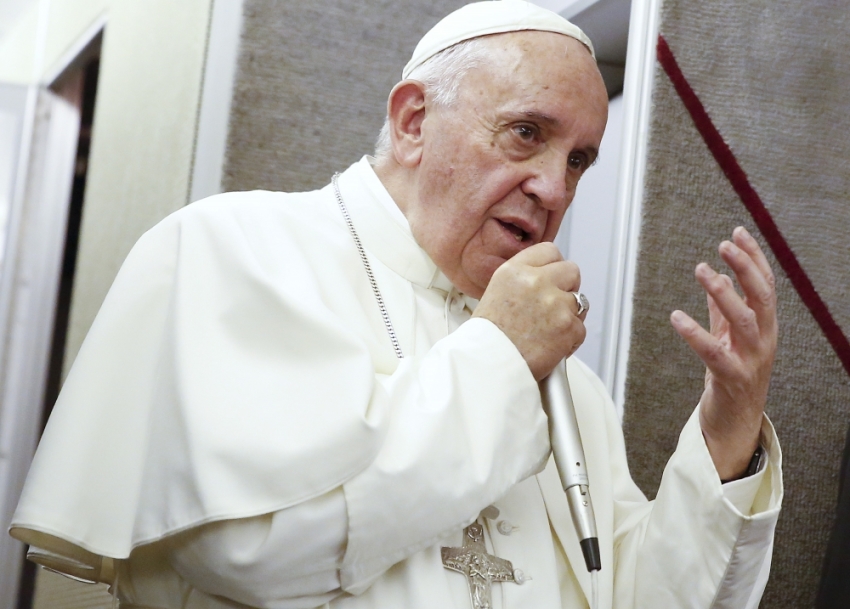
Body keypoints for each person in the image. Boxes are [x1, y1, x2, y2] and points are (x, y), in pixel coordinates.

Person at [11, 2, 783, 608]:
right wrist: (501, 359)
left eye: (578, 158)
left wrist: (726, 432)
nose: (555, 187)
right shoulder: (233, 250)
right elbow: (252, 556)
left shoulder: (562, 382)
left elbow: (634, 594)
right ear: (414, 120)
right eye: (526, 133)